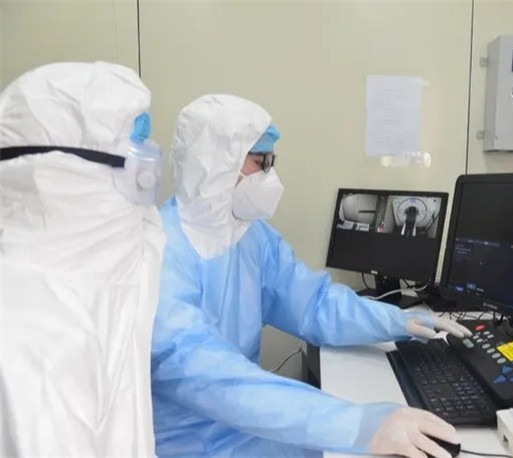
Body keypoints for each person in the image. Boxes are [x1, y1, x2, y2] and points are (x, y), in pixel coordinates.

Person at [151, 93, 470, 458]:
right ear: (217, 162)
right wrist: (358, 425)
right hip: (188, 443)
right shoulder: (158, 252)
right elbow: (206, 377)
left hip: (247, 427)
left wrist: (398, 321)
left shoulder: (250, 236)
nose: (271, 175)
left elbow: (313, 304)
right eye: (261, 161)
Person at [0, 62, 166, 456]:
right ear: (68, 172)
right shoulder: (31, 329)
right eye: (134, 149)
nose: (147, 175)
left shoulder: (101, 278)